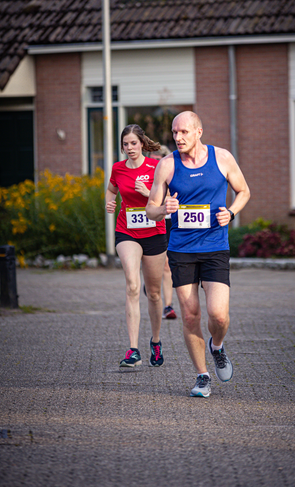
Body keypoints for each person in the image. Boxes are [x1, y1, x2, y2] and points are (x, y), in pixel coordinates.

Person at [146, 111, 250, 397]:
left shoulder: (223, 158)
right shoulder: (167, 166)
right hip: (181, 250)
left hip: (215, 246)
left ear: (199, 132)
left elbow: (243, 191)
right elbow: (150, 208)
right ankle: (202, 376)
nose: (178, 137)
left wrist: (230, 213)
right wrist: (163, 210)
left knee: (219, 315)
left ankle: (217, 346)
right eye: (174, 132)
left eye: (184, 132)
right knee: (190, 316)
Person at [106, 124, 167, 369]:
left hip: (154, 232)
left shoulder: (156, 167)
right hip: (127, 231)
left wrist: (147, 194)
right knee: (132, 285)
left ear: (142, 143)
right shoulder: (117, 169)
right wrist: (110, 203)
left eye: (133, 143)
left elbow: (167, 200)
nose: (129, 148)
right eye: (125, 144)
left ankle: (156, 341)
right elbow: (111, 190)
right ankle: (133, 350)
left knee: (153, 293)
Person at [149, 145, 177, 320]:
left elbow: (172, 199)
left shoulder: (172, 175)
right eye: (152, 160)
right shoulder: (145, 176)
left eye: (158, 160)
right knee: (152, 266)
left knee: (167, 265)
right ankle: (151, 284)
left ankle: (168, 306)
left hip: (167, 223)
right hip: (148, 223)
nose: (156, 163)